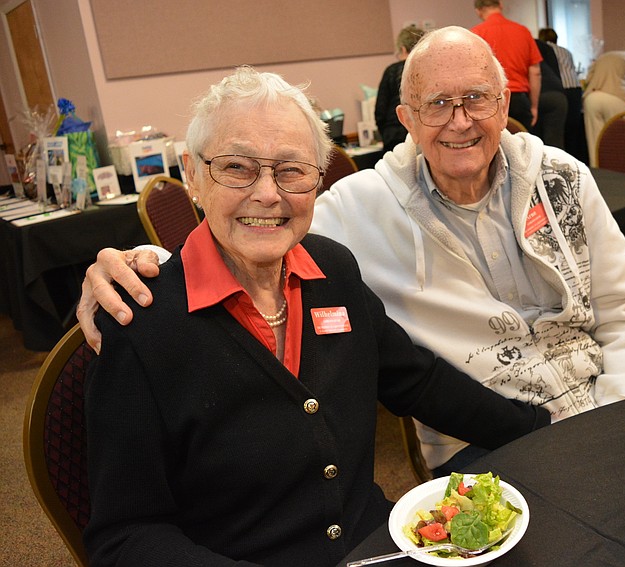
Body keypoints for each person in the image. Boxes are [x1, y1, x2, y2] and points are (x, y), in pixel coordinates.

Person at [78, 27, 625, 478]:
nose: (459, 122)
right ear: (406, 119)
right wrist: (139, 262)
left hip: (606, 400)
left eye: (477, 99)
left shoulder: (563, 176)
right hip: (481, 436)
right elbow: (253, 228)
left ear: (505, 105)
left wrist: (619, 413)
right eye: (436, 104)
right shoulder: (358, 209)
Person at [81, 66, 550, 566]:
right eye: (237, 168)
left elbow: (418, 382)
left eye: (292, 169)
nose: (268, 193)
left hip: (376, 550)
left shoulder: (332, 269)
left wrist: (541, 429)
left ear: (318, 180)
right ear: (192, 174)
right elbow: (125, 538)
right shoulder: (142, 321)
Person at [471, 0, 542, 131]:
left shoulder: (475, 35)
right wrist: (534, 106)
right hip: (520, 101)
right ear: (500, 5)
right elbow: (535, 71)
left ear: (478, 11)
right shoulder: (523, 31)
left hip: (492, 101)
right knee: (524, 147)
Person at [539, 27, 587, 163]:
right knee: (573, 127)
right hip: (575, 87)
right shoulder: (566, 51)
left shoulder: (544, 50)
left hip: (562, 88)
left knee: (562, 128)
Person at [375, 25, 425, 150]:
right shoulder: (427, 70)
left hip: (393, 137)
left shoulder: (391, 71)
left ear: (402, 49)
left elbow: (380, 112)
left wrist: (386, 135)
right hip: (421, 133)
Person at [583, 47, 625, 167]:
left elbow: (588, 79)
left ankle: (597, 176)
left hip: (593, 97)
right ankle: (620, 174)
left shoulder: (603, 57)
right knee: (619, 142)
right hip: (618, 98)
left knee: (595, 142)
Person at [532, 38, 568, 149]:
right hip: (558, 95)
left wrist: (533, 106)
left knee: (535, 144)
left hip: (539, 95)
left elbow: (535, 74)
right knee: (555, 145)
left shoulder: (524, 47)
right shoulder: (543, 45)